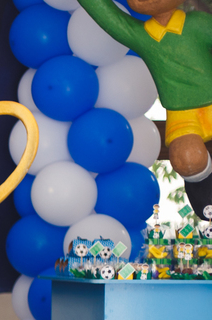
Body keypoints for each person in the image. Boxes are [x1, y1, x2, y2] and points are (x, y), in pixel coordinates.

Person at [75, 0, 212, 216]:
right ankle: (205, 194)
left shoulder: (199, 24)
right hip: (182, 117)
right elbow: (108, 16)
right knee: (187, 158)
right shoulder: (142, 36)